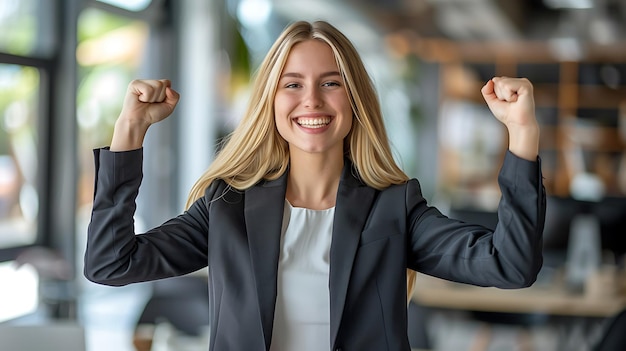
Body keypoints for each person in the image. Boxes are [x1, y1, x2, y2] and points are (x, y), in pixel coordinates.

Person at [85, 20, 546, 351]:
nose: (312, 100)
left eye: (331, 82)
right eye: (292, 84)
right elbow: (110, 263)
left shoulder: (395, 207)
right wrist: (130, 133)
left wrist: (522, 135)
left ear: (354, 99)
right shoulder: (226, 206)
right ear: (271, 100)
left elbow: (509, 265)